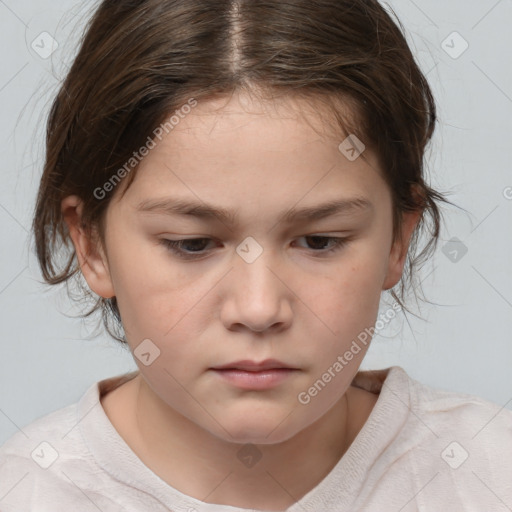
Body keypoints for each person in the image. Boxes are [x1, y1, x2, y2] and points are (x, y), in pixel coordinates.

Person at [1, 1, 510, 510]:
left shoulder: (487, 472)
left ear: (398, 239)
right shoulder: (29, 495)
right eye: (192, 244)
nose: (259, 308)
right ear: (91, 244)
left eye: (319, 241)